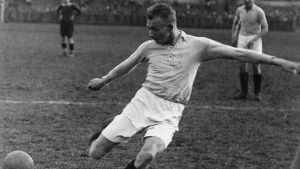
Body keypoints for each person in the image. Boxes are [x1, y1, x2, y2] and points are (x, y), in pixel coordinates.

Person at [87, 3, 300, 169]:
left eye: (155, 29)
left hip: (171, 112)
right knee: (94, 153)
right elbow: (127, 65)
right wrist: (104, 80)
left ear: (170, 26)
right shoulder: (148, 47)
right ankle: (114, 122)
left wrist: (279, 61)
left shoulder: (198, 46)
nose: (150, 34)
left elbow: (239, 53)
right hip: (143, 102)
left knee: (147, 156)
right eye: (148, 29)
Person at [232, 0, 268, 101]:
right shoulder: (239, 10)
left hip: (255, 38)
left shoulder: (259, 11)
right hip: (242, 38)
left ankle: (257, 94)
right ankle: (244, 93)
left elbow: (265, 28)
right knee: (242, 66)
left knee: (256, 66)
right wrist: (234, 36)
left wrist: (254, 40)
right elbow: (235, 23)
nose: (247, 1)